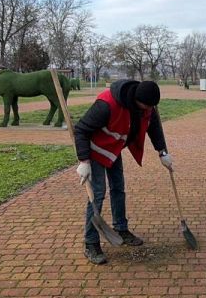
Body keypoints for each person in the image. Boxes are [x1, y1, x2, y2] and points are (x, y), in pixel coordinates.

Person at [73, 79, 173, 264]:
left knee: (118, 188)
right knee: (98, 193)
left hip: (114, 149)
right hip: (94, 149)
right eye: (146, 106)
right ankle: (91, 243)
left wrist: (162, 152)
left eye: (151, 107)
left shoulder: (146, 107)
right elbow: (80, 130)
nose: (148, 110)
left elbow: (154, 127)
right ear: (136, 99)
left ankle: (121, 228)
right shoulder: (106, 104)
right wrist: (83, 161)